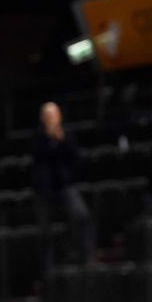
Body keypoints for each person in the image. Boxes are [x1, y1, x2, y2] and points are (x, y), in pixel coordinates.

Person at [31, 102, 94, 272]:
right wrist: (50, 140)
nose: (50, 119)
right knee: (44, 230)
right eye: (47, 116)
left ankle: (84, 257)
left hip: (65, 185)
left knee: (81, 216)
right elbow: (38, 160)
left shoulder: (67, 135)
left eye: (53, 115)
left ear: (59, 117)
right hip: (44, 189)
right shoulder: (38, 137)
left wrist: (62, 140)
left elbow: (75, 158)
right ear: (42, 119)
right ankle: (47, 268)